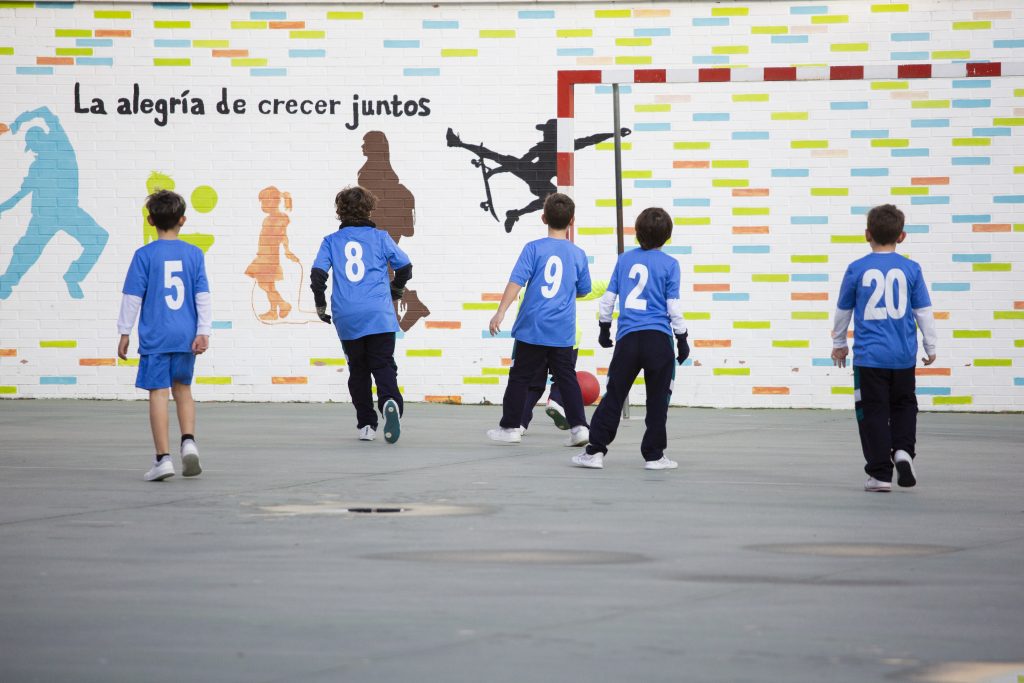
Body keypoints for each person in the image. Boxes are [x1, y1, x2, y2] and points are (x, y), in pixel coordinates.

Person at [571, 208, 688, 471]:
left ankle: (595, 452)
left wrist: (604, 328)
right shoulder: (671, 264)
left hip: (628, 340)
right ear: (667, 236)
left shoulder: (624, 260)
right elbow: (673, 306)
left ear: (637, 233)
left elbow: (608, 299)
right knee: (658, 399)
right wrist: (682, 338)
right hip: (658, 340)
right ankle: (654, 456)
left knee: (614, 395)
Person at [831, 203, 937, 492]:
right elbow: (923, 311)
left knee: (872, 411)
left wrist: (839, 343)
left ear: (867, 234)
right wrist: (930, 345)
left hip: (870, 358)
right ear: (901, 236)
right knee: (904, 404)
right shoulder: (911, 269)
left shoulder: (856, 269)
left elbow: (843, 311)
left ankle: (879, 474)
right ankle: (903, 450)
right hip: (903, 357)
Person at [117, 190, 211, 482]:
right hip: (185, 335)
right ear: (183, 220)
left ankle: (163, 459)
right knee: (183, 389)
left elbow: (132, 297)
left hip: (156, 336)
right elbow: (202, 296)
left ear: (150, 221)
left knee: (158, 392)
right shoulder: (194, 254)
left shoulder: (144, 255)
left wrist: (124, 332)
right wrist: (203, 331)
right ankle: (188, 441)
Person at [486, 193, 591, 446]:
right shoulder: (578, 254)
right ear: (572, 221)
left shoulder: (533, 248)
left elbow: (517, 281)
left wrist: (501, 311)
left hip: (532, 326)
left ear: (543, 218)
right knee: (566, 378)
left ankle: (511, 428)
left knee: (520, 377)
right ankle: (579, 427)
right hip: (561, 329)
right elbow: (584, 289)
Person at [310, 186, 412, 444]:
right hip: (379, 313)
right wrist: (396, 290)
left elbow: (318, 276)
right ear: (369, 209)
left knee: (358, 370)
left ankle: (366, 424)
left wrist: (321, 306)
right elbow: (405, 267)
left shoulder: (331, 241)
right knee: (383, 364)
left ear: (340, 211)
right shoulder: (380, 237)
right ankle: (389, 401)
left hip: (347, 315)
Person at [0, 106, 108, 299]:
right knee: (26, 251)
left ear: (41, 139)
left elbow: (44, 110)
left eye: (34, 145)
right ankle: (6, 283)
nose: (34, 150)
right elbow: (21, 194)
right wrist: (2, 208)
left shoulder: (61, 144)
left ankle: (73, 276)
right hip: (46, 216)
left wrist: (19, 121)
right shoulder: (37, 165)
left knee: (99, 238)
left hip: (67, 211)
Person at [358, 131, 430, 332]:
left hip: (378, 230)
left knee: (382, 272)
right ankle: (407, 307)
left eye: (365, 143)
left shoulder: (367, 173)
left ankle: (403, 311)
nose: (362, 146)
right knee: (385, 271)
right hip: (385, 230)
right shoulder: (379, 172)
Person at [246, 186, 299, 321]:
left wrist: (287, 250)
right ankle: (273, 311)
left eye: (265, 202)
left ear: (274, 201)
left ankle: (283, 304)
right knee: (269, 285)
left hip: (269, 258)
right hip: (264, 255)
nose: (262, 205)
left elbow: (283, 236)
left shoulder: (280, 218)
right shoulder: (268, 219)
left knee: (264, 284)